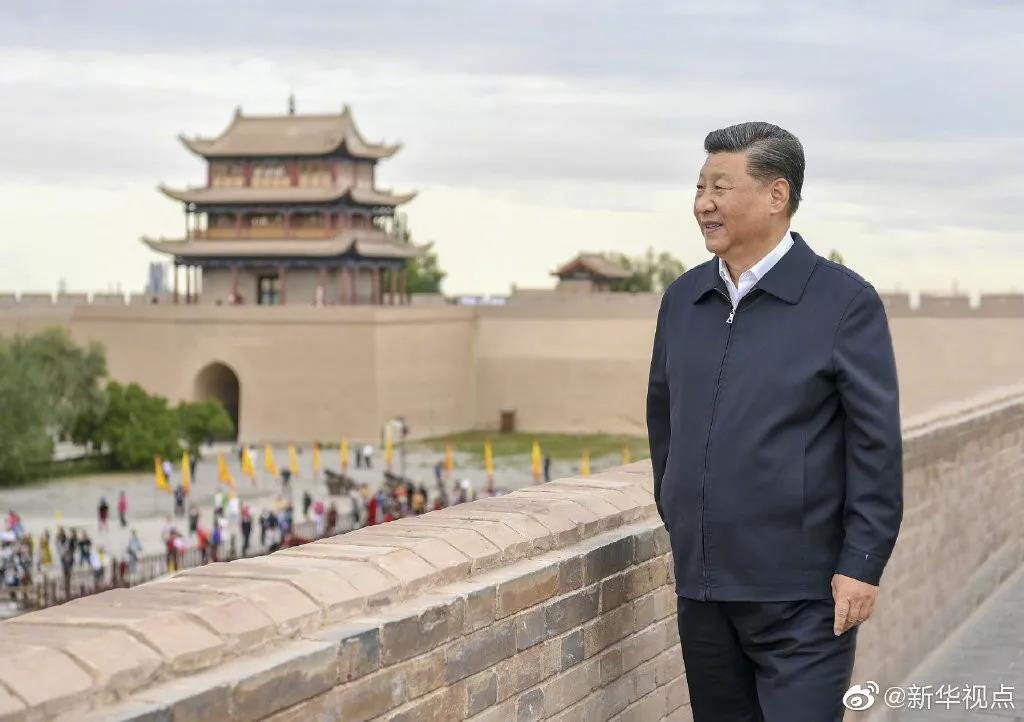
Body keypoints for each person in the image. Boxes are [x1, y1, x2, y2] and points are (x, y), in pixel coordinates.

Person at [646, 122, 902, 722]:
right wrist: (682, 519)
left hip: (805, 598)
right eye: (700, 187)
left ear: (776, 195)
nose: (703, 204)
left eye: (720, 187)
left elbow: (874, 445)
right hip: (704, 590)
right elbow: (665, 424)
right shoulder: (683, 300)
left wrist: (862, 563)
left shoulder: (843, 303)